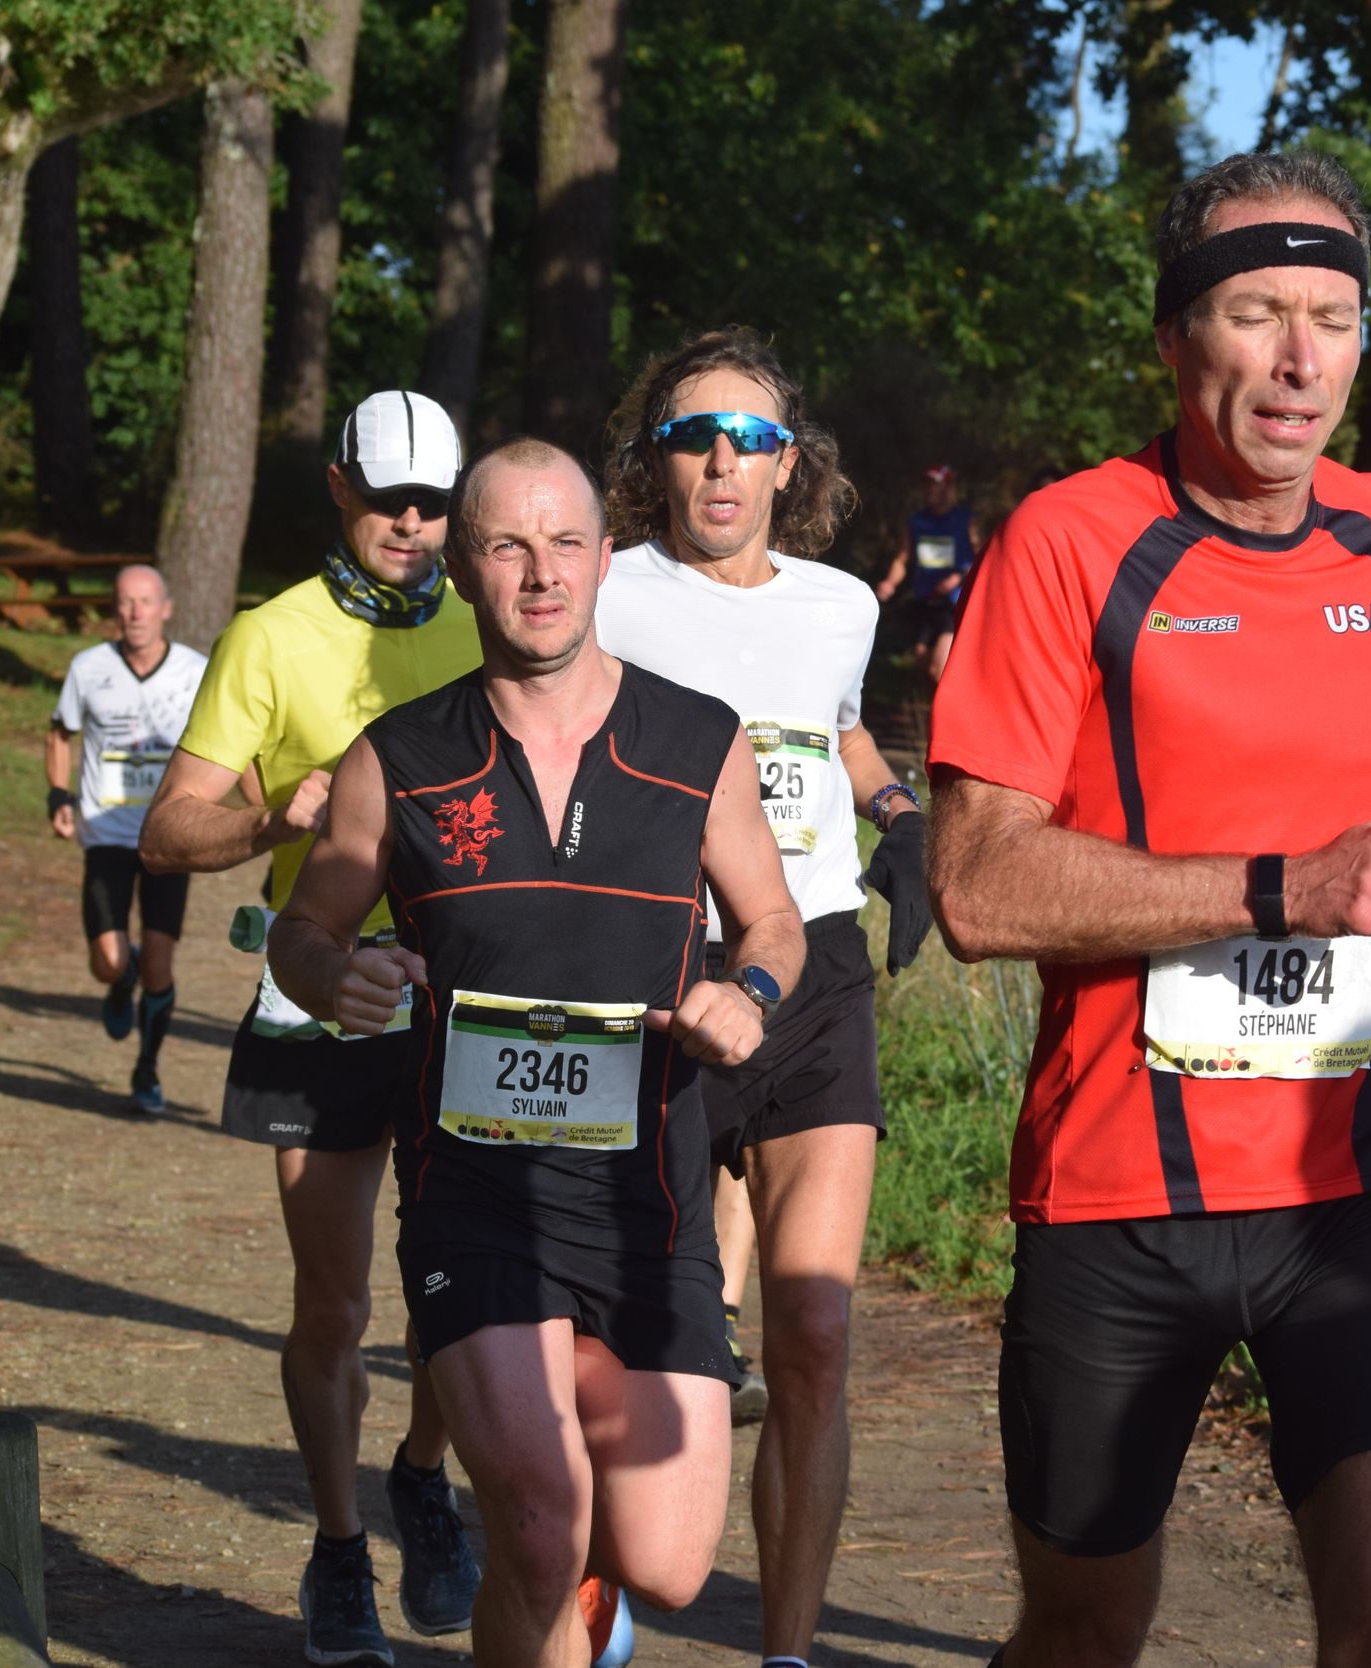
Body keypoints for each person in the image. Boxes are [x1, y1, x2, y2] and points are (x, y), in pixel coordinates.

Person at [927, 150, 1371, 1668]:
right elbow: (974, 885)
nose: (1300, 361)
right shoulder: (1070, 540)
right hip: (1119, 1198)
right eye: (1257, 313)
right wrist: (1289, 888)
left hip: (1351, 1195)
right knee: (1082, 1637)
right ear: (1174, 337)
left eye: (1332, 320)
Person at [267, 437, 806, 1668]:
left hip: (648, 1203)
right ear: (461, 570)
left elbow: (774, 924)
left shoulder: (696, 741)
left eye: (565, 542)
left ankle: (562, 1585)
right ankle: (539, 1577)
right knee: (540, 1523)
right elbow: (305, 931)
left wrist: (751, 994)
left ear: (606, 559)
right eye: (507, 546)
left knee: (666, 1564)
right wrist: (333, 976)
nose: (542, 573)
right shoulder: (398, 758)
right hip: (476, 1198)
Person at [598, 327, 934, 1668]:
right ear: (657, 461)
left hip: (817, 971)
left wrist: (899, 816)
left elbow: (833, 726)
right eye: (693, 436)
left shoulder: (841, 603)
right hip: (661, 974)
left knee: (811, 1327)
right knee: (639, 1322)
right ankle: (599, 1576)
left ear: (791, 463)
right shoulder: (608, 589)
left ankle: (786, 1652)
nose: (722, 461)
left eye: (750, 438)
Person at [141, 390, 482, 1664]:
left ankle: (423, 1477)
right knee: (334, 1306)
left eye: (433, 502)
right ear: (340, 486)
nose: (411, 521)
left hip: (461, 997)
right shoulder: (267, 636)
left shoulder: (492, 622)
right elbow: (168, 830)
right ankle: (339, 1551)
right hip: (313, 988)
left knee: (465, 1295)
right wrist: (269, 819)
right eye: (388, 497)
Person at [45, 564, 209, 1114]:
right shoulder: (88, 668)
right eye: (125, 601)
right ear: (114, 609)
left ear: (166, 609)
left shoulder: (195, 672)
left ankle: (147, 1069)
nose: (135, 612)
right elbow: (59, 732)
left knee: (161, 966)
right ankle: (122, 978)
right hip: (107, 834)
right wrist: (57, 795)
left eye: (145, 601)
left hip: (169, 835)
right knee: (108, 963)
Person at [874, 464, 978, 681]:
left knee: (939, 669)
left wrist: (959, 577)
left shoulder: (965, 520)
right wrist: (890, 582)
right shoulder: (916, 522)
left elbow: (980, 558)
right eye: (927, 484)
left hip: (954, 604)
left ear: (949, 488)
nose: (930, 489)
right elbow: (903, 558)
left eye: (936, 484)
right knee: (923, 663)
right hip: (925, 602)